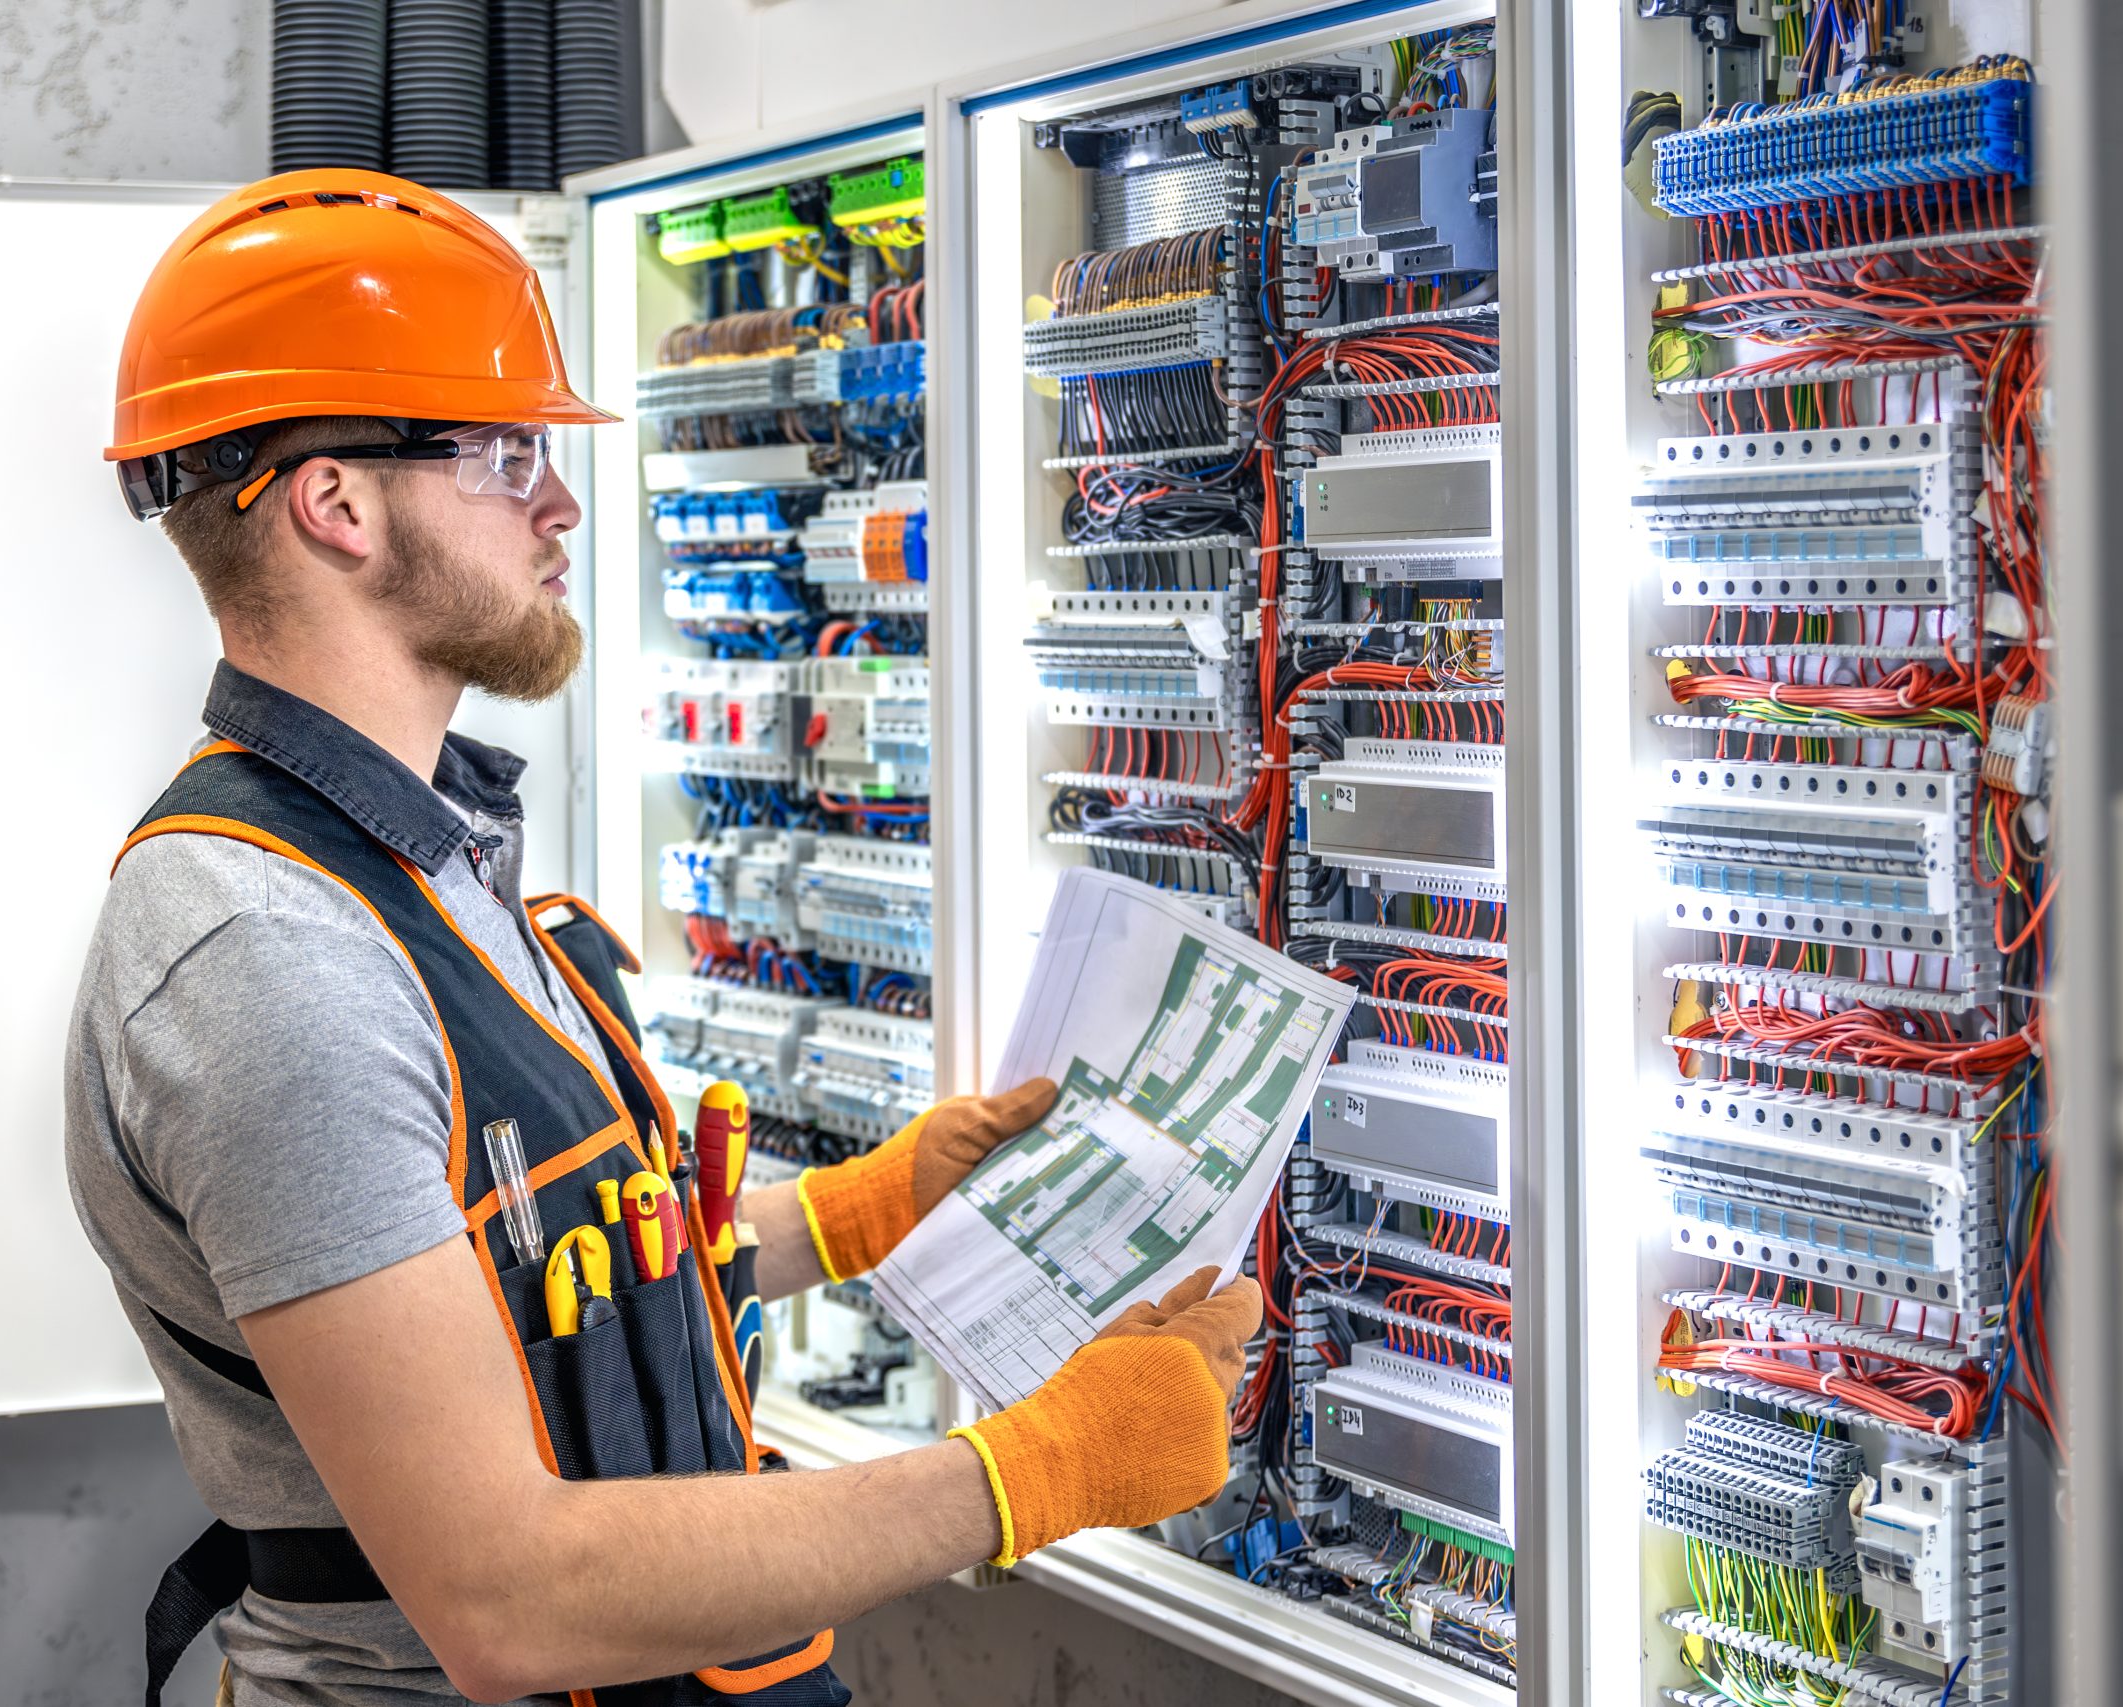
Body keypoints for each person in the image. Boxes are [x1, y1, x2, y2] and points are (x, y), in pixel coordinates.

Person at [66, 170, 1260, 1707]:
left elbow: (527, 1276)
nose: (561, 505)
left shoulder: (414, 861)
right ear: (336, 502)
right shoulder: (265, 960)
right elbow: (509, 1596)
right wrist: (1035, 1469)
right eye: (509, 455)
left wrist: (848, 1213)